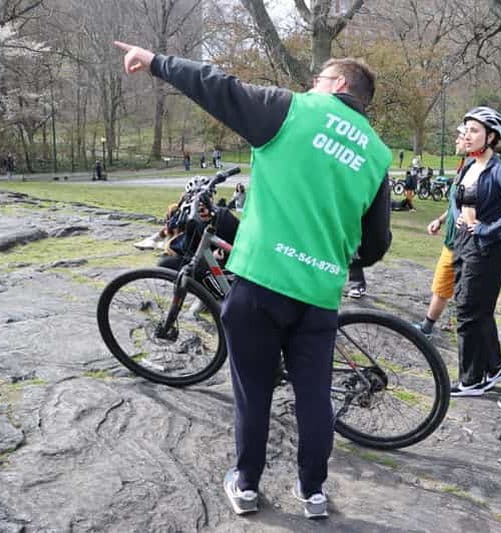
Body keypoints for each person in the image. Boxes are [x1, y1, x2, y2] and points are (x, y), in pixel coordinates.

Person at [114, 41, 392, 519]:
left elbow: (217, 87)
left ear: (339, 84)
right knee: (313, 396)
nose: (312, 85)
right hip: (320, 293)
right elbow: (376, 244)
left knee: (253, 391)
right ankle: (313, 492)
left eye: (318, 79)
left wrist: (157, 62)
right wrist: (339, 250)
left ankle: (246, 485)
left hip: (262, 279)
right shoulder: (377, 154)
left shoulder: (294, 111)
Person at [448, 106, 501, 397]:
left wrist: (488, 229)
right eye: (466, 129)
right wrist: (458, 215)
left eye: (475, 130)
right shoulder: (469, 166)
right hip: (463, 244)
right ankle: (495, 367)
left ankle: (471, 380)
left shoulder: (499, 170)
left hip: (486, 250)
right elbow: (456, 197)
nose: (467, 135)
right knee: (476, 310)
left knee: (468, 312)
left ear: (491, 137)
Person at [415, 124, 468, 338]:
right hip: (451, 242)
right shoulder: (462, 168)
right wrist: (440, 220)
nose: (456, 140)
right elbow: (455, 204)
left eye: (460, 136)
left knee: (465, 293)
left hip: (466, 245)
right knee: (441, 286)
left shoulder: (477, 170)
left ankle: (463, 332)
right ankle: (427, 327)